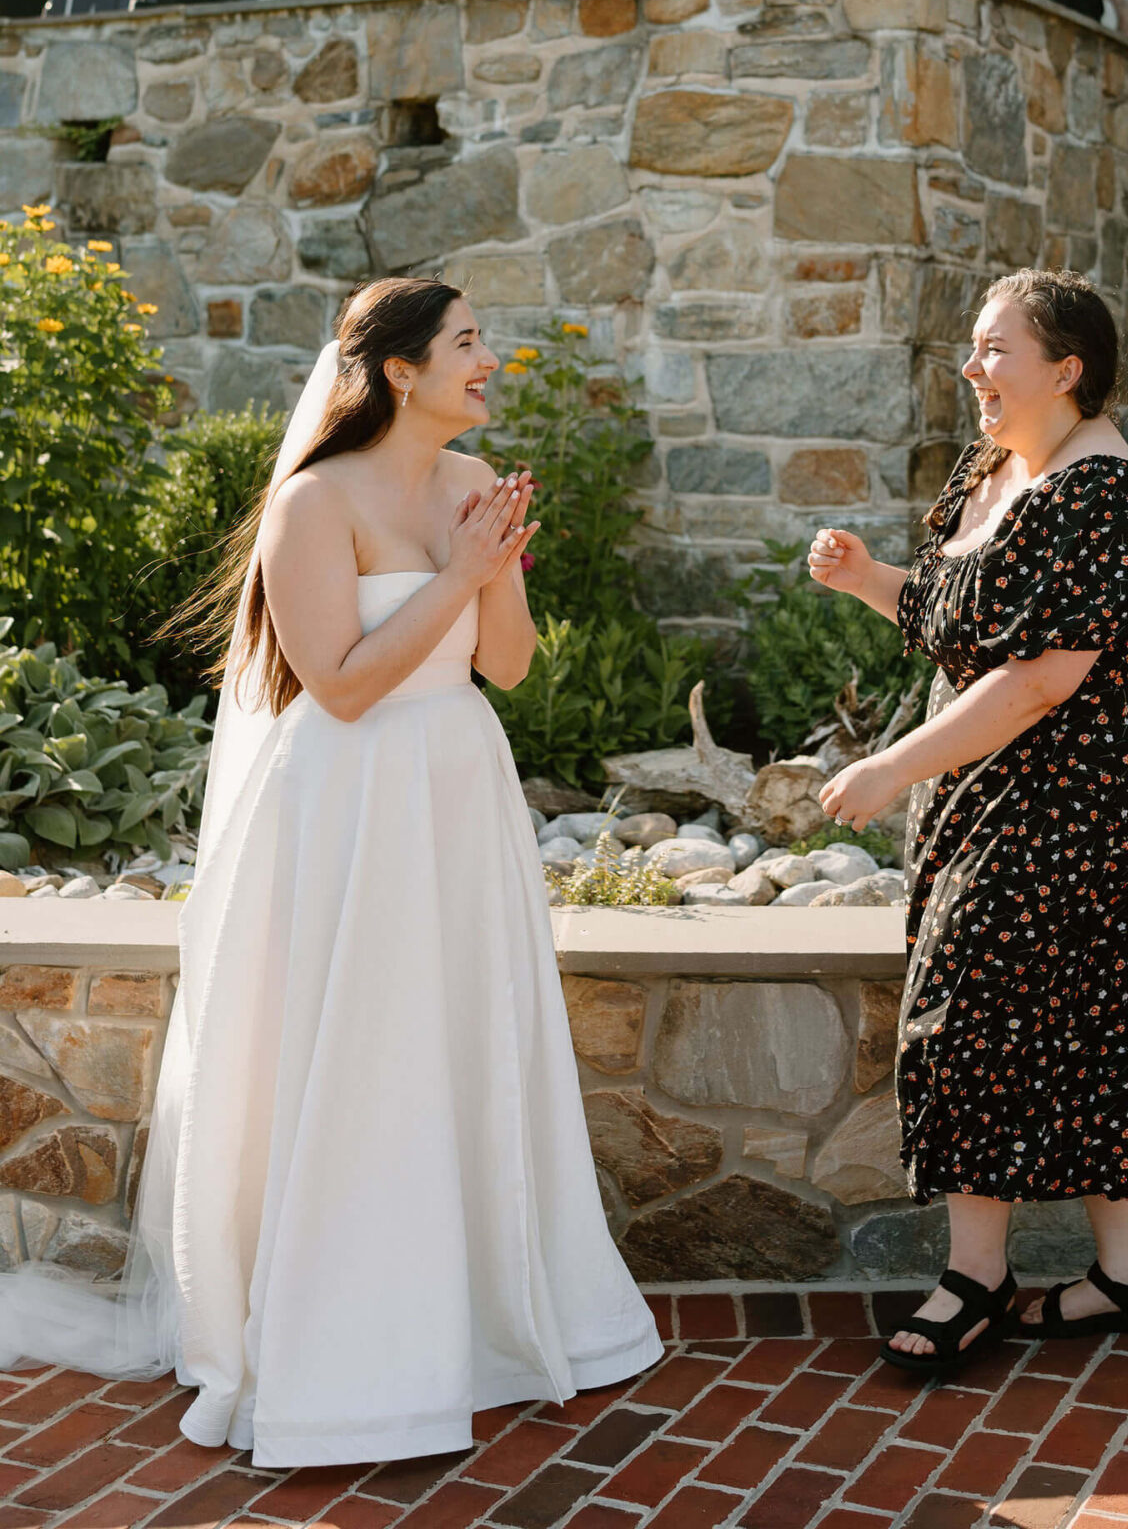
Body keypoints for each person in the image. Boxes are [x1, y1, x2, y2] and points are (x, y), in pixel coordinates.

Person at [0, 276, 660, 1462]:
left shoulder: (471, 486)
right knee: (358, 1048)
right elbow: (342, 685)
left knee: (462, 1038)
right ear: (400, 370)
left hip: (459, 790)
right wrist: (456, 575)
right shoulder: (313, 504)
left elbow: (504, 668)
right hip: (351, 806)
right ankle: (346, 1341)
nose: (488, 360)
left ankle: (481, 1315)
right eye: (468, 342)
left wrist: (496, 561)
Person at [810, 267, 1128, 1373]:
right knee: (1095, 1021)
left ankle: (977, 1279)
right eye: (972, 346)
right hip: (1006, 793)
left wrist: (884, 769)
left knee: (976, 1010)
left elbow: (1037, 679)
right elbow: (967, 618)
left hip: (1097, 806)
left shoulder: (1104, 493)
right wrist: (872, 580)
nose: (972, 367)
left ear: (1069, 368)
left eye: (995, 349)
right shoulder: (1000, 470)